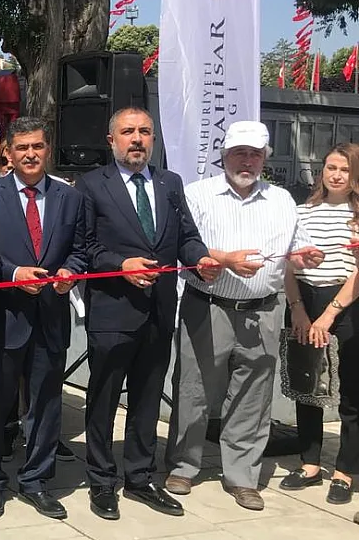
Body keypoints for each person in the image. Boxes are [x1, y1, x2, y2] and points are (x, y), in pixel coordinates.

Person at [165, 120, 324, 511]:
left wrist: (307, 257)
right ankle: (184, 465)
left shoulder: (283, 199)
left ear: (265, 158)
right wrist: (223, 260)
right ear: (224, 156)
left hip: (265, 311)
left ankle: (242, 475)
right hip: (210, 306)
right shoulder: (198, 194)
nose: (248, 161)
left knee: (253, 397)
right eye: (240, 153)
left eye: (255, 154)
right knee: (194, 389)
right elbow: (185, 246)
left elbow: (297, 249)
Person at [74, 106, 220, 521]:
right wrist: (121, 266)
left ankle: (139, 477)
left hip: (159, 311)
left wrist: (202, 260)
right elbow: (84, 249)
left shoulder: (171, 183)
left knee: (146, 398)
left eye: (145, 132)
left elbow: (186, 238)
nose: (137, 139)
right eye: (128, 132)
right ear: (111, 140)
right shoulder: (91, 186)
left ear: (153, 139)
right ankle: (102, 481)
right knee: (103, 399)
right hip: (112, 310)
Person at [0, 116, 86, 520]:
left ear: (47, 149)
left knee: (47, 403)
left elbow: (81, 248)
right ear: (8, 152)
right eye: (22, 148)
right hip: (3, 318)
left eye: (37, 146)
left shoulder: (69, 197)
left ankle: (36, 478)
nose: (30, 154)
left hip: (51, 315)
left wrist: (70, 273)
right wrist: (13, 273)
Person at [279, 143, 359, 505]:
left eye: (344, 169)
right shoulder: (301, 212)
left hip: (346, 304)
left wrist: (329, 315)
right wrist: (297, 308)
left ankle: (344, 470)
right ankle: (309, 462)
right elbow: (288, 263)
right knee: (306, 383)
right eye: (330, 167)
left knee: (351, 393)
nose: (336, 175)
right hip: (304, 300)